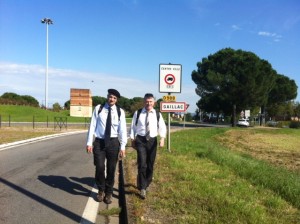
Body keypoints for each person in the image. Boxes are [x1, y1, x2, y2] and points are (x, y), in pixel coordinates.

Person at [86, 89, 127, 204]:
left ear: (116, 100)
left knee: (111, 169)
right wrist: (89, 143)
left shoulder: (120, 112)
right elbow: (92, 125)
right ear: (107, 96)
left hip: (113, 143)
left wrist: (123, 146)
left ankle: (109, 192)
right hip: (99, 142)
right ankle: (100, 190)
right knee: (99, 167)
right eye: (110, 96)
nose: (111, 99)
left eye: (114, 98)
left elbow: (123, 130)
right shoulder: (99, 109)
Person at [130, 93, 166, 199]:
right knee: (142, 163)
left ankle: (147, 181)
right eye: (146, 101)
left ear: (154, 102)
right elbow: (133, 127)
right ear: (143, 102)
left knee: (150, 164)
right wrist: (132, 139)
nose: (148, 103)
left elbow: (162, 127)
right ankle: (142, 187)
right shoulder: (138, 113)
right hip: (140, 140)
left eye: (150, 101)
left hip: (152, 141)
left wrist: (162, 138)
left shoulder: (157, 114)